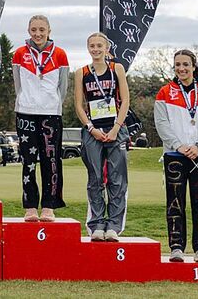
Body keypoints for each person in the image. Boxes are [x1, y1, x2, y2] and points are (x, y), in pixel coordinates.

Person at [154, 49, 198, 263]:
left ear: (194, 66)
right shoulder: (165, 92)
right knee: (175, 202)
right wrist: (179, 145)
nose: (181, 68)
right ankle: (176, 247)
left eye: (185, 64)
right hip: (175, 153)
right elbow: (161, 124)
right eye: (177, 65)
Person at [73, 32, 130, 242]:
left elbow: (125, 101)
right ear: (88, 48)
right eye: (92, 46)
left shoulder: (117, 69)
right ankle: (96, 223)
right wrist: (90, 127)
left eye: (100, 46)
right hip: (93, 131)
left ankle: (114, 225)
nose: (96, 49)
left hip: (116, 129)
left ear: (107, 48)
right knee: (95, 179)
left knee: (117, 179)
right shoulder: (82, 72)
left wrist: (116, 128)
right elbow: (78, 105)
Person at [13, 14, 69, 222]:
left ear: (49, 31)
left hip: (51, 114)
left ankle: (48, 205)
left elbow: (63, 87)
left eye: (42, 30)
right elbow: (17, 83)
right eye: (34, 30)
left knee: (51, 161)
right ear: (29, 31)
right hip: (26, 112)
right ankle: (30, 206)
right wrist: (24, 101)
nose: (38, 34)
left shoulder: (60, 54)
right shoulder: (20, 53)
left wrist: (52, 103)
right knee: (28, 161)